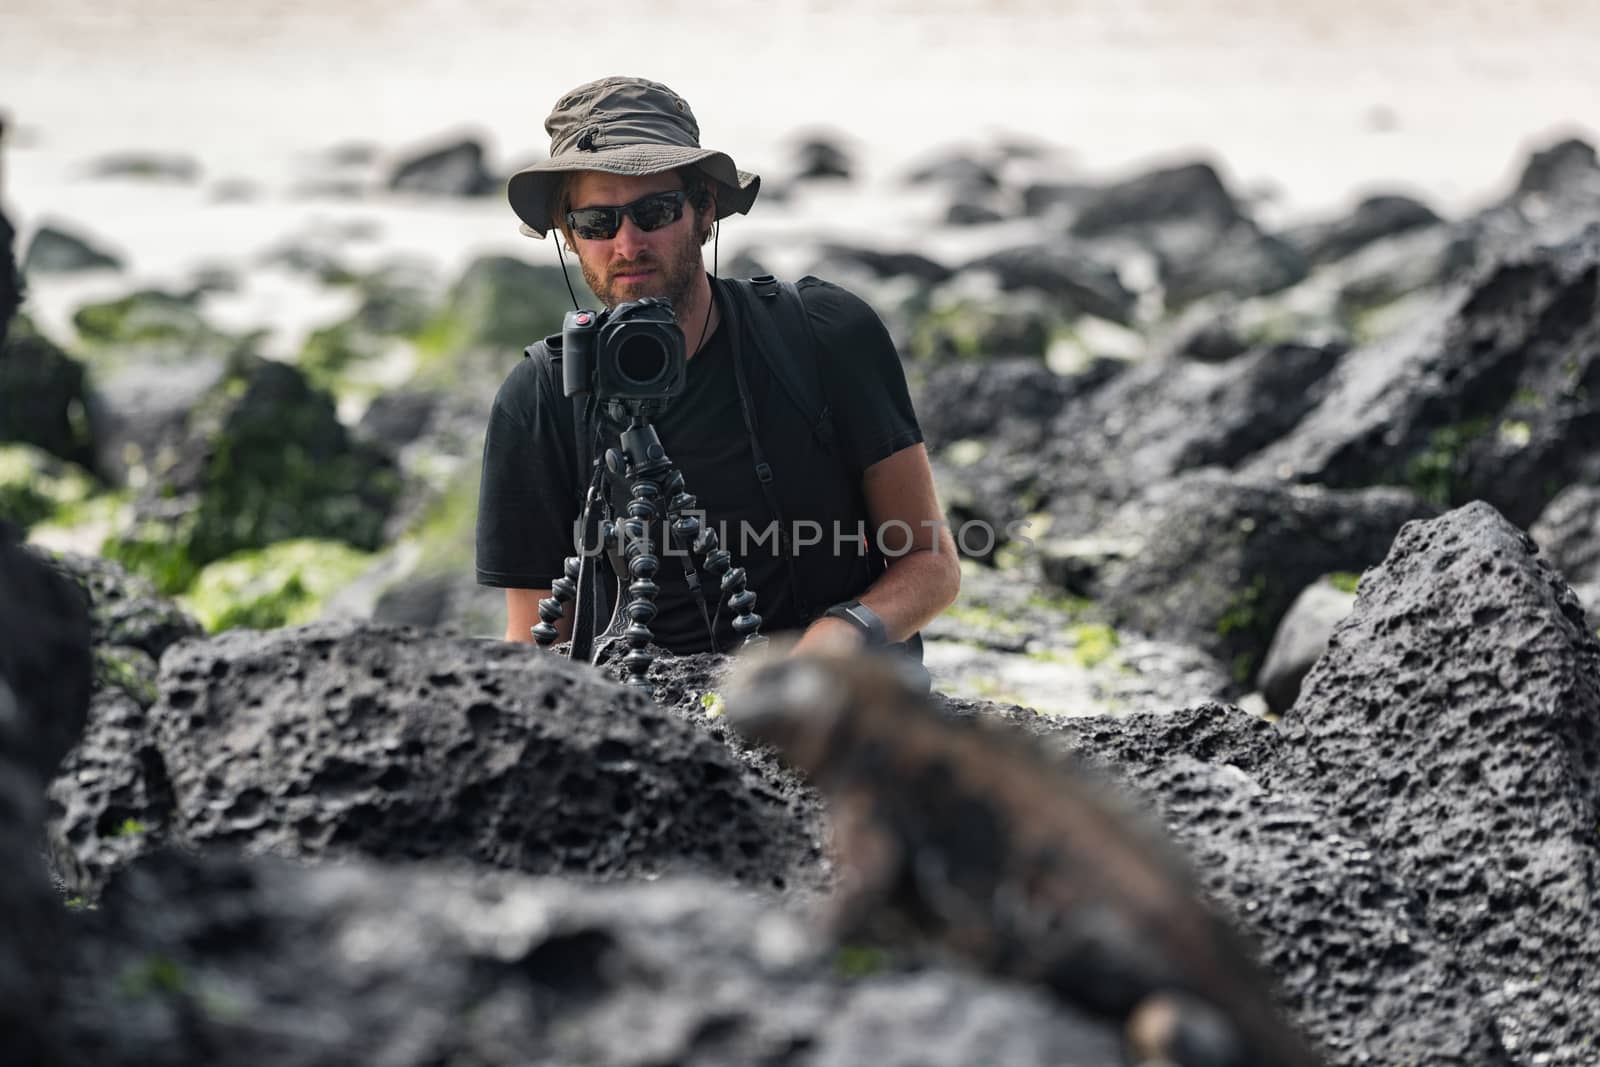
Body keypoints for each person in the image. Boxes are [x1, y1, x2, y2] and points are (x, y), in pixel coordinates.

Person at [476, 75, 959, 658]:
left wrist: (839, 636)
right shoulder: (540, 397)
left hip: (841, 714)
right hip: (639, 726)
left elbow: (929, 561)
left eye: (654, 211)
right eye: (597, 224)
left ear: (705, 210)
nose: (628, 245)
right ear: (569, 239)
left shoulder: (821, 335)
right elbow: (534, 639)